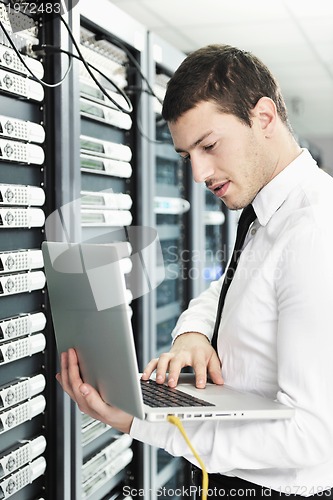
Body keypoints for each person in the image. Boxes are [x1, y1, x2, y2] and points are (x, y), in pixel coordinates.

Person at [57, 45, 333, 498]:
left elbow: (313, 434)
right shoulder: (270, 213)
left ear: (263, 118)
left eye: (209, 146)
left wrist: (140, 422)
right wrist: (193, 333)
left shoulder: (315, 230)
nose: (201, 172)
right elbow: (230, 290)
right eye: (188, 156)